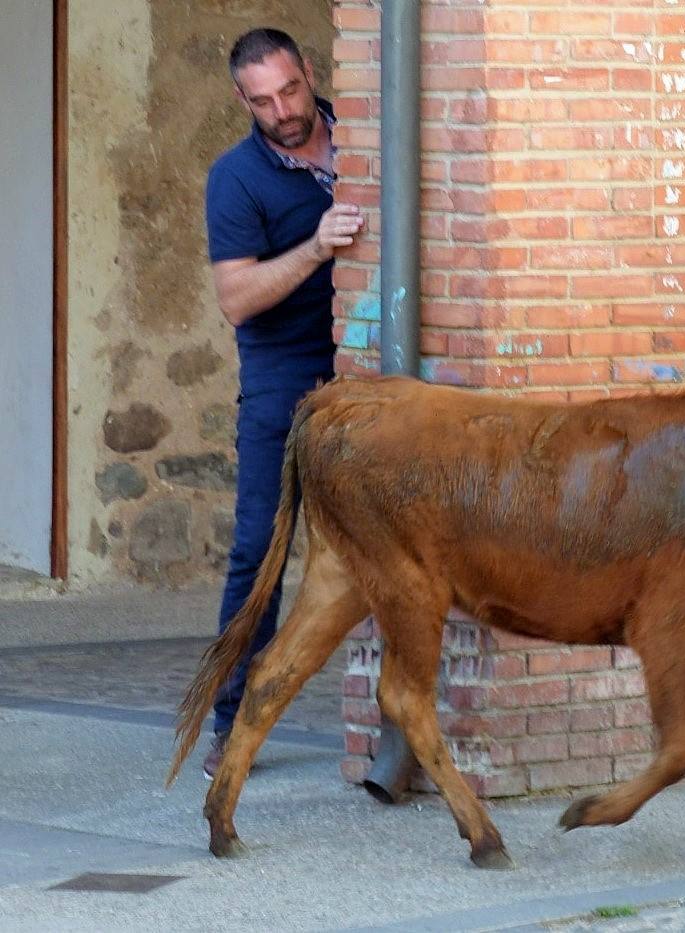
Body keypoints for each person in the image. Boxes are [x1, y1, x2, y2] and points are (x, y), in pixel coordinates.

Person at [202, 28, 363, 778]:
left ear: (310, 74)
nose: (282, 111)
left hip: (366, 361)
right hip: (283, 369)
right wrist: (315, 248)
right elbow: (236, 299)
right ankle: (230, 722)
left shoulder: (362, 139)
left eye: (290, 91)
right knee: (259, 546)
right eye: (263, 101)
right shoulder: (235, 178)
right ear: (243, 100)